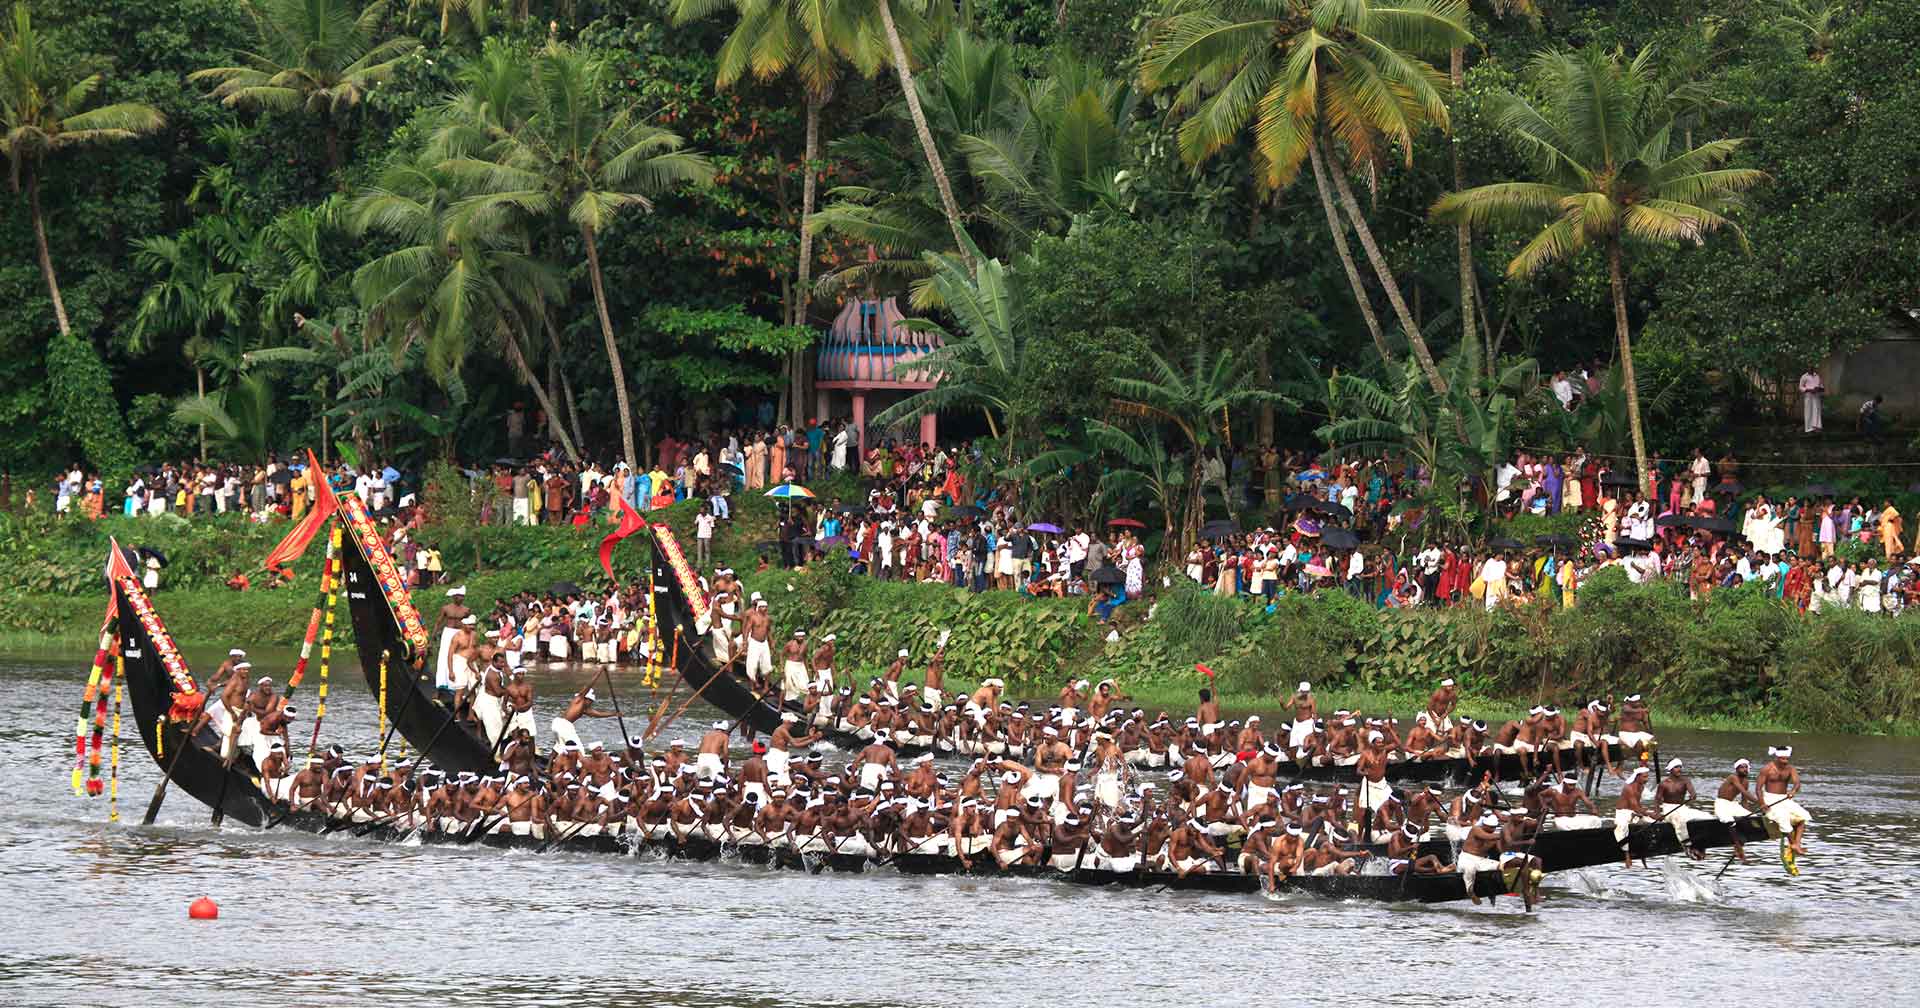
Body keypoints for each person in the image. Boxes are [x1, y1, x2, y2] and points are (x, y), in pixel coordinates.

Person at [1756, 745, 1811, 857]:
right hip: (1770, 798)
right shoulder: (1767, 769)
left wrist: (1793, 791)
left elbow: (1797, 783)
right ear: (1777, 757)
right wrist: (1762, 803)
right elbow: (1758, 789)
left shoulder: (1790, 769)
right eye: (1782, 759)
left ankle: (1797, 843)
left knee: (1803, 816)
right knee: (1783, 817)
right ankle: (1792, 843)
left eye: (1787, 759)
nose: (1785, 761)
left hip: (1784, 798)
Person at [1715, 758, 1760, 863]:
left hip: (1733, 805)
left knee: (1751, 819)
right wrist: (1761, 802)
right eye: (1742, 767)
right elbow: (1744, 792)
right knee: (1730, 822)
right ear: (1737, 769)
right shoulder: (1732, 777)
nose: (1744, 769)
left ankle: (1737, 847)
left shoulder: (1746, 782)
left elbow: (1744, 801)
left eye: (1746, 767)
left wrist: (1749, 814)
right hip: (1722, 804)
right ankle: (1739, 849)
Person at [433, 586, 471, 703]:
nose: (461, 598)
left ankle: (458, 688)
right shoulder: (446, 608)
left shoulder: (466, 610)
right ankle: (439, 687)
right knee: (444, 658)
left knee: (459, 659)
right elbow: (438, 622)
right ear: (454, 597)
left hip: (460, 634)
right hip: (448, 633)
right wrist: (433, 637)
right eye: (459, 596)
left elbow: (469, 624)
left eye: (462, 597)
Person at [1798, 368, 1824, 433]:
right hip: (1808, 396)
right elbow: (1800, 387)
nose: (1810, 368)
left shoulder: (1817, 376)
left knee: (1817, 411)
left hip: (1816, 396)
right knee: (1808, 411)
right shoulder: (1804, 376)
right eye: (1809, 367)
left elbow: (1822, 387)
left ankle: (1817, 427)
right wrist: (1809, 390)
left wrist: (1818, 388)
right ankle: (1809, 428)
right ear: (1807, 368)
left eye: (1812, 367)